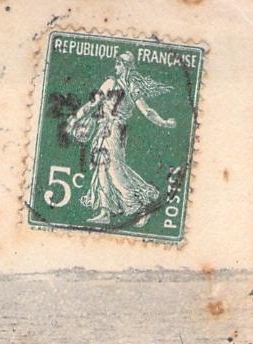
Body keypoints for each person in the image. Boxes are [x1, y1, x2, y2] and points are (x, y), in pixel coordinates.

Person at [65, 50, 178, 226]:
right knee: (101, 169)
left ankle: (139, 208)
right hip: (103, 129)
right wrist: (75, 119)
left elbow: (147, 111)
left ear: (126, 67)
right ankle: (105, 212)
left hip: (115, 131)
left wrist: (163, 123)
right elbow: (93, 104)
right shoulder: (111, 83)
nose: (115, 66)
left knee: (114, 170)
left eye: (119, 63)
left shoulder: (132, 87)